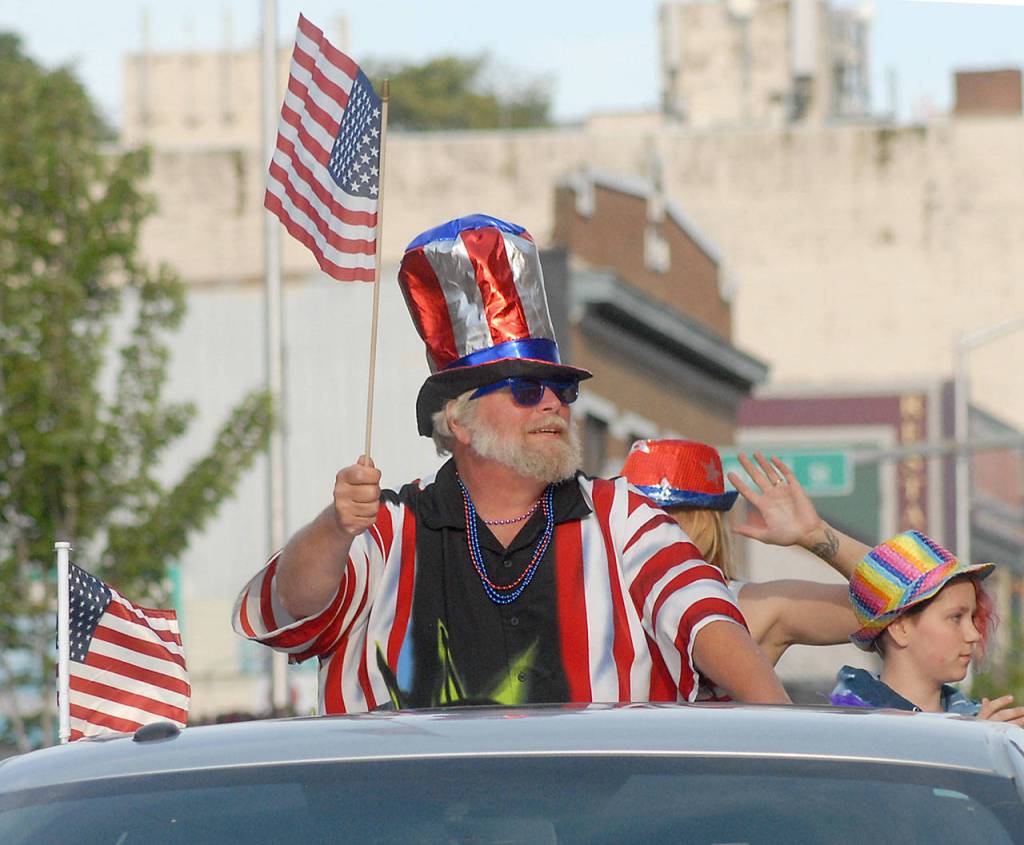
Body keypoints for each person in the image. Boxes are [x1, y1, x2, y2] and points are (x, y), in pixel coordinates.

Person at [232, 214, 789, 713]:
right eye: (526, 389)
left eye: (561, 390)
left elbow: (708, 621)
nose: (553, 403)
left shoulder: (622, 517)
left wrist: (792, 745)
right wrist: (334, 527)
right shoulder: (391, 527)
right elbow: (292, 606)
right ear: (459, 421)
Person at [621, 440, 862, 666]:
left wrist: (815, 534)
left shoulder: (752, 607)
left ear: (704, 521)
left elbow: (896, 602)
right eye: (627, 513)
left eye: (659, 514)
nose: (639, 527)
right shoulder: (594, 598)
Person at [828, 530, 1024, 723]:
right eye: (956, 617)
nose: (974, 634)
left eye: (972, 617)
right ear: (900, 628)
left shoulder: (979, 719)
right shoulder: (849, 728)